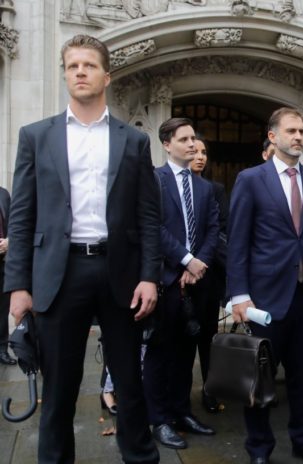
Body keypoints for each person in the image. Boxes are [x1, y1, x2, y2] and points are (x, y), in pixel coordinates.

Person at [4, 34, 160, 463]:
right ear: (65, 74)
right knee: (59, 388)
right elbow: (22, 216)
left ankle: (141, 457)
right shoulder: (36, 136)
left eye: (88, 65)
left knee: (129, 383)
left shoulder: (134, 141)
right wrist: (18, 285)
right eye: (72, 66)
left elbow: (149, 216)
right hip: (60, 271)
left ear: (105, 76)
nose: (80, 72)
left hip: (121, 272)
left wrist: (150, 276)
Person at [227, 107, 303, 464]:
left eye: (302, 131)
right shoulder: (250, 179)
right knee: (259, 380)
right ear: (272, 136)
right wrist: (239, 295)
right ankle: (259, 448)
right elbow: (238, 241)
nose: (299, 137)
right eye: (291, 130)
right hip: (264, 300)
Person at [143, 118, 218, 449]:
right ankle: (159, 419)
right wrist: (186, 261)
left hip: (197, 282)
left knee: (188, 350)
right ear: (166, 143)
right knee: (161, 353)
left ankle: (182, 410)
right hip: (166, 280)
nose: (192, 144)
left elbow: (214, 229)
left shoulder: (204, 186)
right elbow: (153, 228)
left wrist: (198, 265)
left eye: (193, 139)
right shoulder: (153, 181)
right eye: (184, 139)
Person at [190, 135, 228, 414]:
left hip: (208, 273)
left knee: (208, 336)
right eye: (195, 152)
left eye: (204, 152)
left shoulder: (215, 189)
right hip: (177, 275)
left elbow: (221, 229)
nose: (200, 157)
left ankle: (210, 389)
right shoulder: (163, 182)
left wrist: (202, 260)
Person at [0, 185, 16, 366]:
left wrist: (9, 242)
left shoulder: (3, 194)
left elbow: (15, 222)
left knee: (2, 309)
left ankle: (2, 349)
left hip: (3, 261)